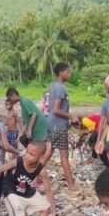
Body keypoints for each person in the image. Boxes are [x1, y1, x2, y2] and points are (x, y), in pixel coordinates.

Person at [46, 62, 79, 190]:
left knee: (49, 152)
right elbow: (56, 109)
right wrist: (71, 116)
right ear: (61, 73)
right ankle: (71, 185)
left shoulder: (53, 86)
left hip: (52, 123)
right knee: (64, 155)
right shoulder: (60, 88)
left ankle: (34, 179)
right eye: (68, 72)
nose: (69, 74)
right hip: (58, 125)